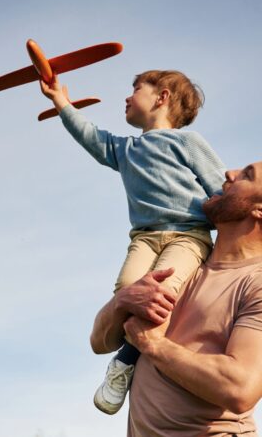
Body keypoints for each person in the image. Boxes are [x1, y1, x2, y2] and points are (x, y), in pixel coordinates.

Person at [40, 70, 225, 414]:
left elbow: (220, 190)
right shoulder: (124, 149)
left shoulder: (188, 143)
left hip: (188, 235)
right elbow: (90, 136)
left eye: (136, 89)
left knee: (162, 293)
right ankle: (122, 348)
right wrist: (60, 101)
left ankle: (124, 362)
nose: (127, 97)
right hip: (144, 238)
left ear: (162, 97)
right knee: (128, 289)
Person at [90, 161, 262, 436]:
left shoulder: (256, 282)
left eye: (246, 176)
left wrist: (152, 343)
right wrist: (122, 301)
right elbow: (99, 342)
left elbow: (240, 387)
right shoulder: (181, 263)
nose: (228, 174)